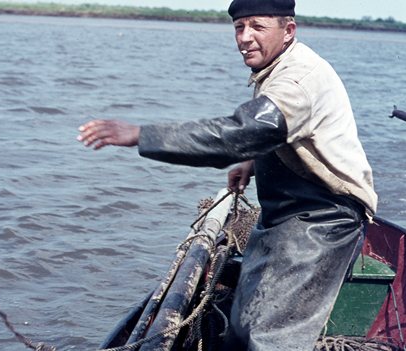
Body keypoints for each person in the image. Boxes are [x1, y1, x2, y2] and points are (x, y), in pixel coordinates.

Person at [77, 0, 377, 349]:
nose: (245, 38)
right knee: (242, 321)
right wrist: (253, 161)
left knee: (271, 336)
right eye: (239, 27)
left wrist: (141, 135)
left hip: (326, 215)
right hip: (287, 209)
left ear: (288, 30)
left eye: (257, 27)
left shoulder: (298, 78)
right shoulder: (278, 64)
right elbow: (283, 132)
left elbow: (240, 132)